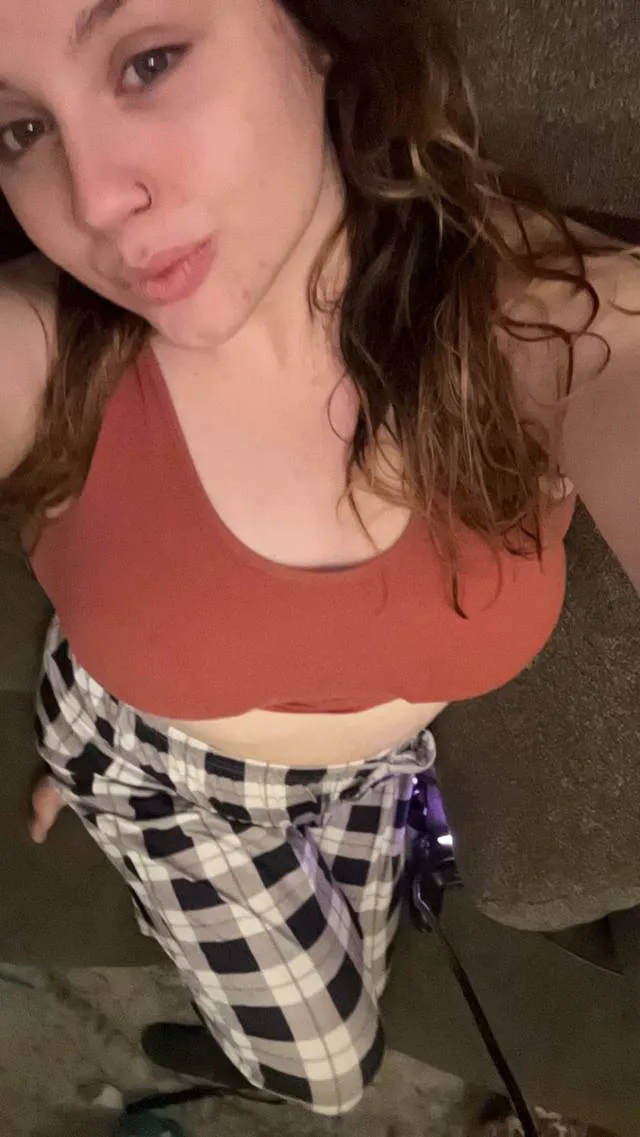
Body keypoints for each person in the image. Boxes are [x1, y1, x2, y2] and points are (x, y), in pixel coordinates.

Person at [0, 0, 638, 1119]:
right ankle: (112, 797)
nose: (94, 201)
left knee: (359, 970)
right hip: (166, 764)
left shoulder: (534, 315)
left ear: (320, 29)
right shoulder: (45, 352)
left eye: (149, 61)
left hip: (383, 767)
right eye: (18, 129)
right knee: (328, 1075)